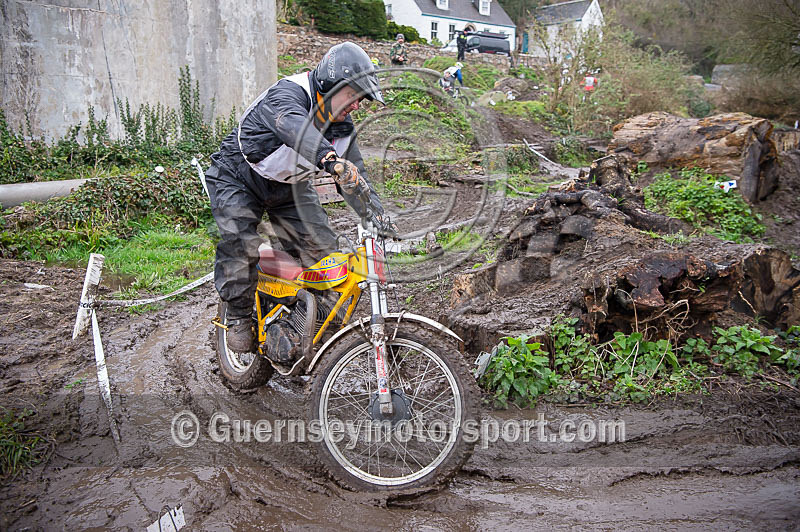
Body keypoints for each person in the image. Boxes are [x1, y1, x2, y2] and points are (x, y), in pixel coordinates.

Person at [204, 42, 386, 354]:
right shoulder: (289, 93)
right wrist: (329, 159)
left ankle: (300, 323)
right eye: (355, 95)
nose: (358, 105)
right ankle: (238, 316)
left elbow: (357, 178)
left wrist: (378, 217)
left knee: (327, 255)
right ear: (334, 85)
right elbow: (293, 126)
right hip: (239, 174)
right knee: (240, 241)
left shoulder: (341, 127)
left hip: (290, 187)